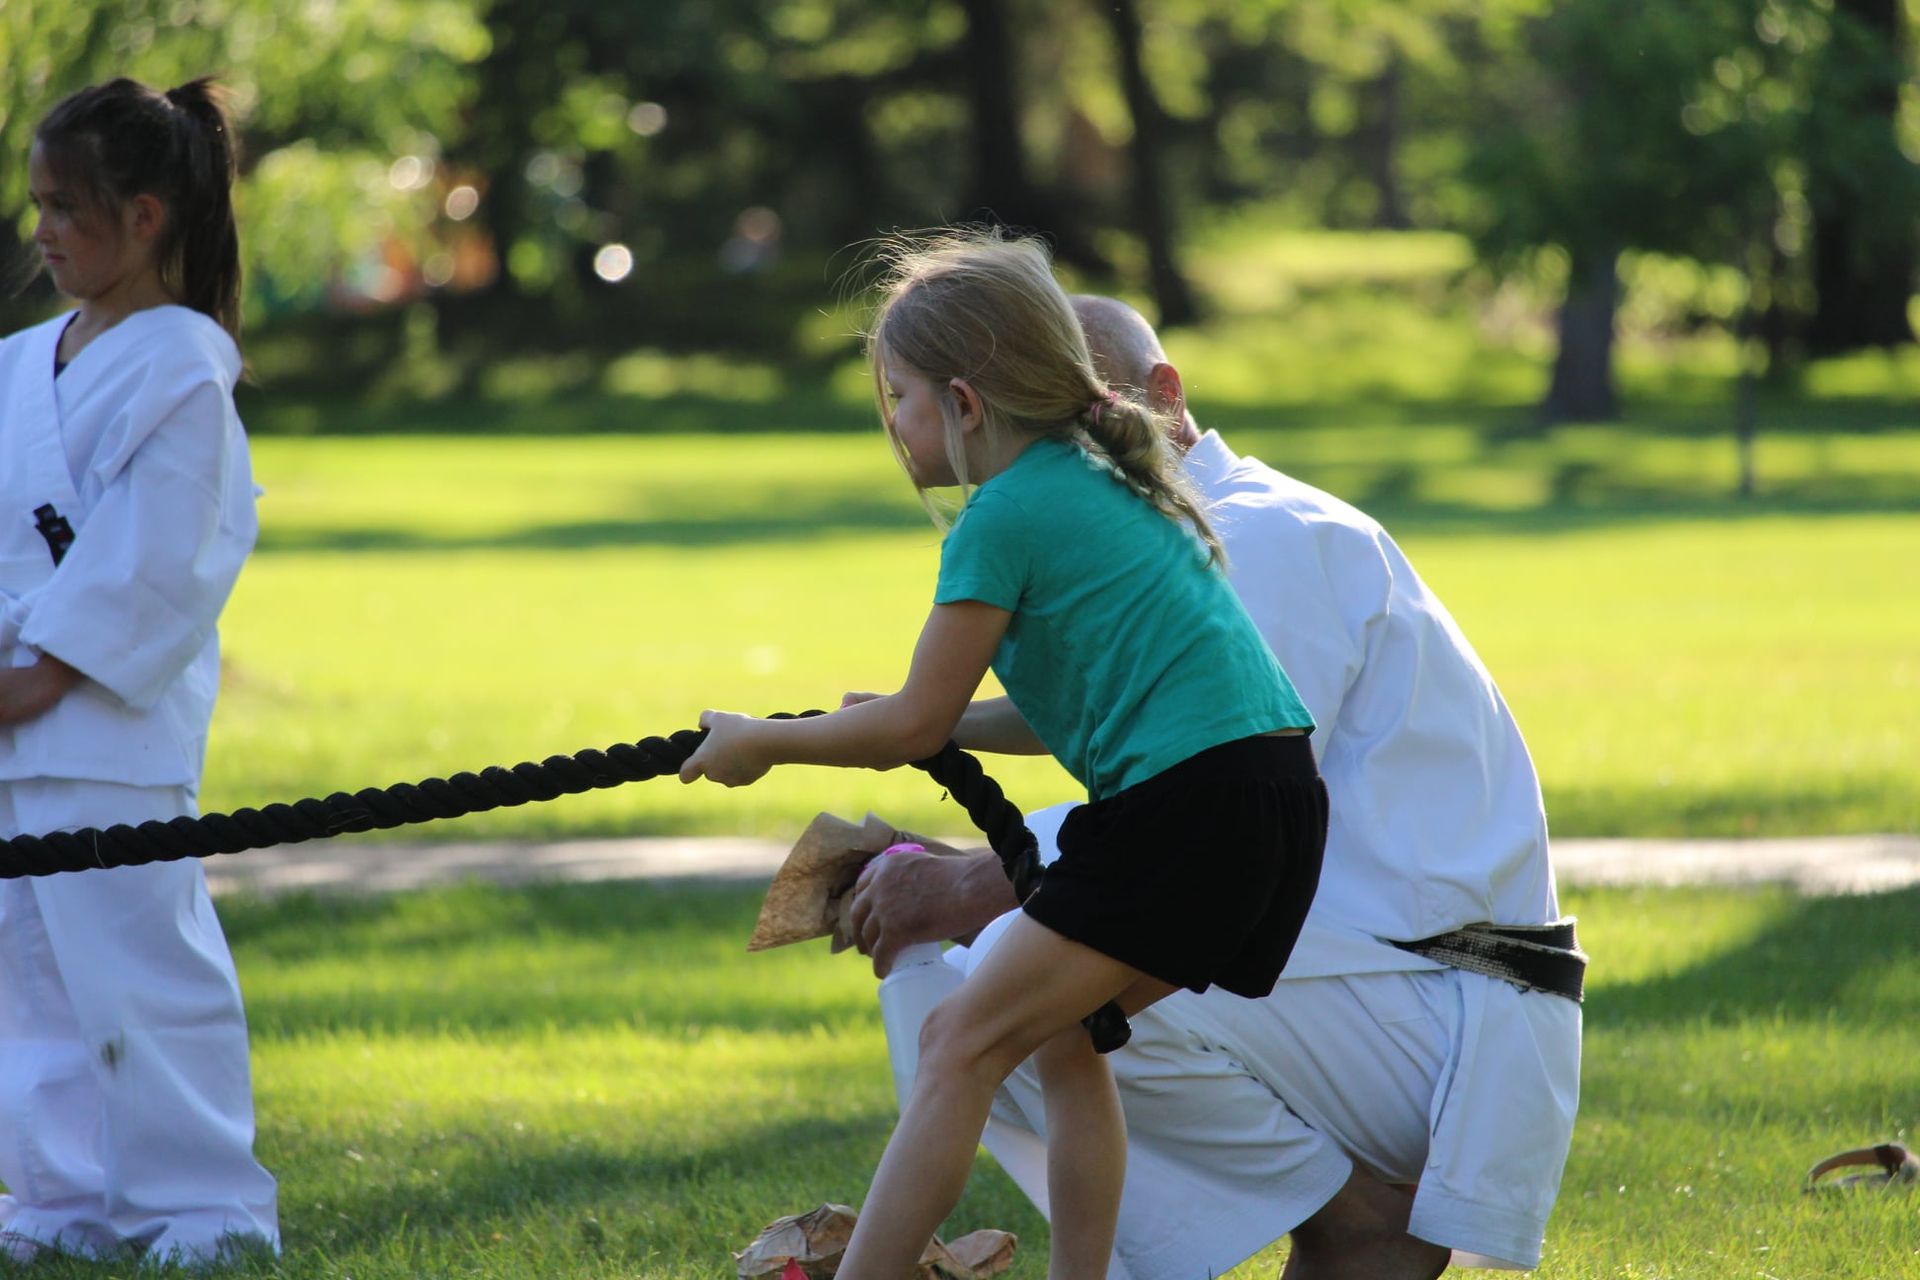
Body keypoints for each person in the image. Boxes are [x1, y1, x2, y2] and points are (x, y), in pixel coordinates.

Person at [843, 297, 1583, 1277]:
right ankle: (1325, 1223)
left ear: (1163, 396)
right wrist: (937, 739)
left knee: (991, 997)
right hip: (1354, 964)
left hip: (1441, 1003)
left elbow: (1209, 803)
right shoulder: (1153, 535)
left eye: (1077, 421)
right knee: (1018, 999)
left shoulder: (1259, 530)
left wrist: (962, 884)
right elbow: (1138, 738)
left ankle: (1362, 1215)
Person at [680, 230, 1326, 1280]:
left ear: (967, 404)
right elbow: (1064, 704)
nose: (891, 422)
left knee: (959, 1043)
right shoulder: (1099, 478)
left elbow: (907, 727)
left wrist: (767, 741)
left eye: (898, 397)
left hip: (1188, 811)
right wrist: (936, 718)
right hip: (1260, 800)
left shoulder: (1005, 514)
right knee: (1055, 1041)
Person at [0, 77, 278, 1264]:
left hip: (102, 726)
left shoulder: (182, 367)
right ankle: (61, 1196)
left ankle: (205, 1203)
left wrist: (35, 677)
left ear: (148, 215)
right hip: (9, 724)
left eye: (69, 206)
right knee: (29, 978)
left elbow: (155, 559)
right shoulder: (19, 360)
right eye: (37, 207)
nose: (45, 231)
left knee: (138, 968)